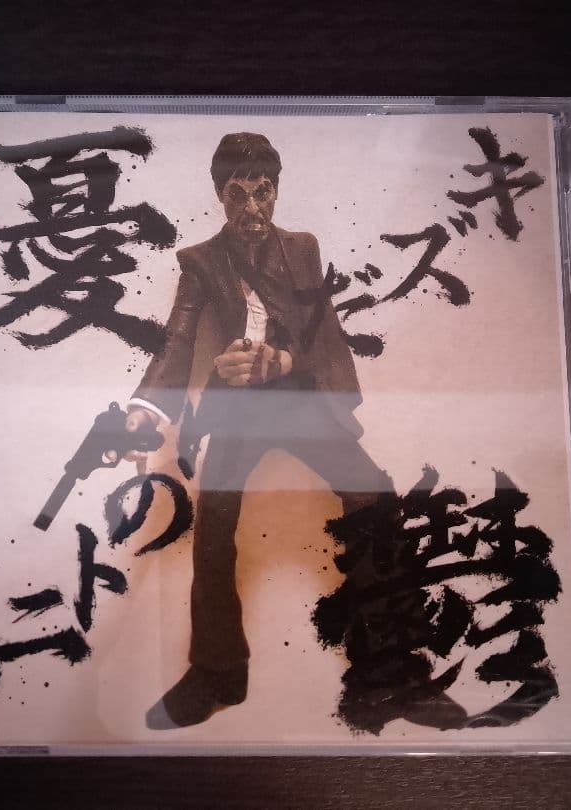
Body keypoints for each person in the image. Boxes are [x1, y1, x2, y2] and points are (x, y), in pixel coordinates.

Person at [110, 132, 390, 728]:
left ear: (277, 191)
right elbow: (178, 338)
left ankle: (385, 656)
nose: (252, 208)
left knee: (372, 495)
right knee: (213, 523)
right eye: (238, 195)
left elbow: (322, 330)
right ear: (220, 196)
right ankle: (218, 670)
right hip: (239, 408)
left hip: (300, 400)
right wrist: (146, 409)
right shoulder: (200, 261)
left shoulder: (303, 248)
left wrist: (282, 361)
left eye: (262, 192)